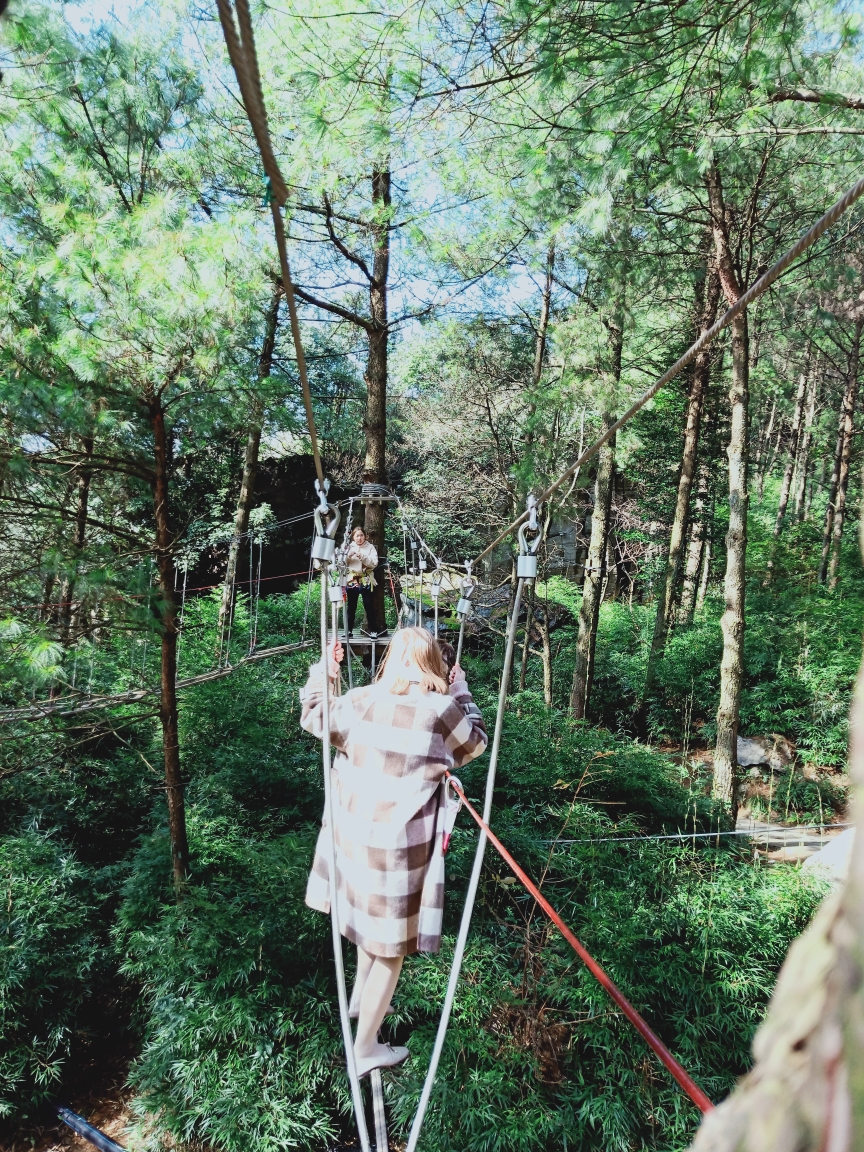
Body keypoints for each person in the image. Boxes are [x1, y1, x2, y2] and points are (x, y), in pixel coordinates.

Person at [300, 627, 488, 1077]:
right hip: (399, 852)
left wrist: (326, 670)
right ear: (434, 663)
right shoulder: (441, 710)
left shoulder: (363, 699)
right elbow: (476, 742)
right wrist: (460, 690)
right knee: (390, 950)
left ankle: (360, 1004)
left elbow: (314, 714)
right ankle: (365, 1049)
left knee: (371, 928)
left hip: (353, 841)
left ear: (393, 660)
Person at [344, 526, 380, 637]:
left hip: (366, 579)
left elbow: (374, 563)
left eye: (361, 535)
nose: (359, 538)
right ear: (353, 537)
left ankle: (373, 631)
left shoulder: (370, 547)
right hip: (352, 580)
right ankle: (348, 631)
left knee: (368, 605)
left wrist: (363, 556)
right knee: (351, 606)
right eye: (357, 536)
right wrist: (348, 556)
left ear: (365, 536)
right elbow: (342, 562)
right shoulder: (349, 547)